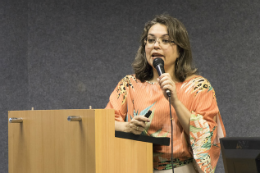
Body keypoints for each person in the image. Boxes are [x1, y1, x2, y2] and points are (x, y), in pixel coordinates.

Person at [105, 14, 226, 173]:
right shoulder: (128, 85)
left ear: (180, 50)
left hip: (179, 168)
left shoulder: (197, 86)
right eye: (151, 40)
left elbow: (207, 135)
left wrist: (175, 100)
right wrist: (127, 127)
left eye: (165, 40)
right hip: (135, 166)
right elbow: (103, 125)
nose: (156, 45)